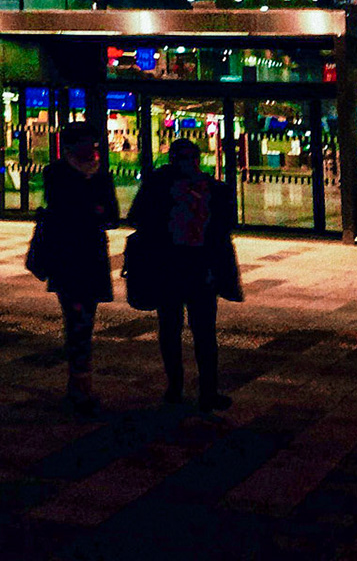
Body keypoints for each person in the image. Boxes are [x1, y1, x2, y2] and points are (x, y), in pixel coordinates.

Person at [127, 136, 241, 411]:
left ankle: (179, 388)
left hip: (176, 267)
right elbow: (225, 227)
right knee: (199, 331)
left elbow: (136, 218)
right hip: (192, 268)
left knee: (175, 329)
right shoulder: (207, 188)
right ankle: (201, 391)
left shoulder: (160, 186)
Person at [34, 123, 119, 413]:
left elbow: (111, 215)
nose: (93, 149)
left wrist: (93, 210)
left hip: (92, 257)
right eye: (88, 143)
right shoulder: (57, 173)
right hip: (68, 257)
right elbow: (66, 211)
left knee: (86, 320)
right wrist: (93, 209)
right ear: (71, 146)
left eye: (94, 143)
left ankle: (80, 384)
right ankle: (79, 386)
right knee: (76, 319)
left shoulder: (101, 175)